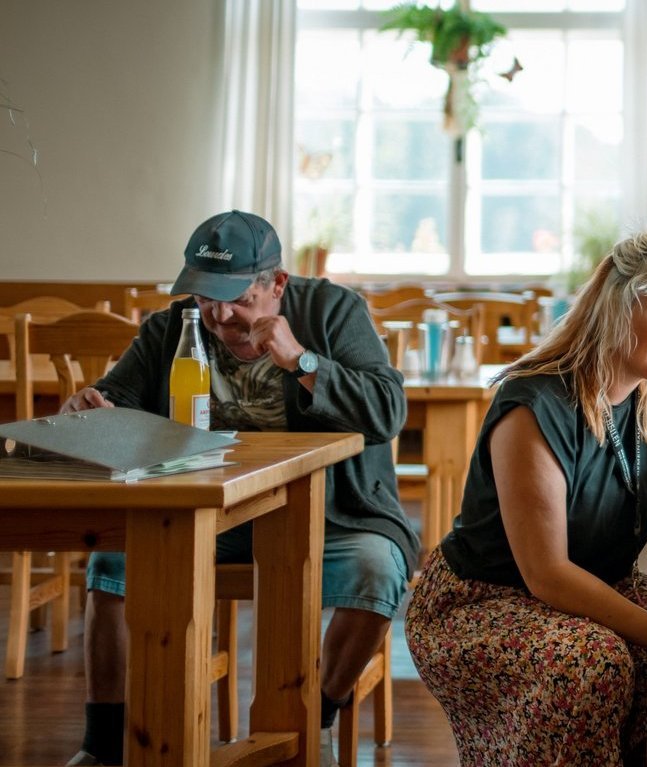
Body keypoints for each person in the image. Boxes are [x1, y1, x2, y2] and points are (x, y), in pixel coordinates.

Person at [62, 210, 417, 767]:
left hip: (331, 512)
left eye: (236, 298)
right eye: (206, 298)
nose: (220, 315)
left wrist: (302, 361)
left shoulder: (332, 311)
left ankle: (315, 718)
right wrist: (90, 409)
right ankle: (103, 747)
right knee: (112, 563)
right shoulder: (174, 328)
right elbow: (116, 400)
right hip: (207, 513)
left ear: (277, 284)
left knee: (377, 572)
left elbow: (388, 412)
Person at [405, 229, 647, 765]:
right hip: (481, 600)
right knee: (593, 663)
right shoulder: (536, 403)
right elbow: (547, 575)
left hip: (596, 583)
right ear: (618, 309)